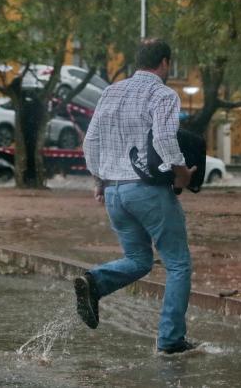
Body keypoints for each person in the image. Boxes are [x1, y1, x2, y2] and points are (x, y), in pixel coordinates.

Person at [76, 38, 197, 355]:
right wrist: (182, 173)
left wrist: (99, 180)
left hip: (114, 193)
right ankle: (170, 341)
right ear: (165, 63)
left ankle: (96, 282)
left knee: (138, 260)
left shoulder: (110, 91)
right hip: (147, 192)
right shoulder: (163, 94)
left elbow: (90, 142)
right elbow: (164, 137)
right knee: (178, 264)